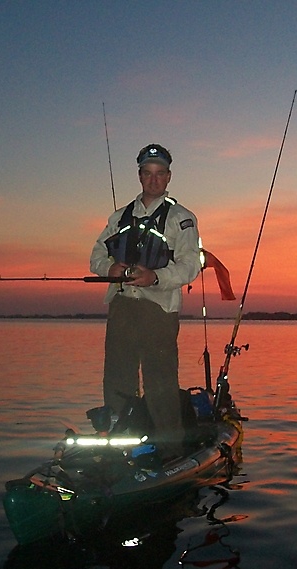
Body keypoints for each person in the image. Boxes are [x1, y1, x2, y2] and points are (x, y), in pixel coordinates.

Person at [89, 143, 202, 457]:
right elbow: (96, 256)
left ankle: (170, 451)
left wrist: (155, 277)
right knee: (117, 377)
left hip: (159, 308)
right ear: (140, 175)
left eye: (160, 174)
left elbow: (191, 265)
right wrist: (109, 268)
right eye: (147, 173)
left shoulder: (182, 218)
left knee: (160, 381)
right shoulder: (120, 216)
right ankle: (116, 445)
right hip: (122, 305)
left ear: (168, 177)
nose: (154, 180)